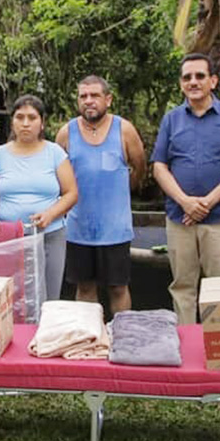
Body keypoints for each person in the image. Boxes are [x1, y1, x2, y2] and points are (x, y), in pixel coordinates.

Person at [151, 53, 220, 325]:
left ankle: (218, 345)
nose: (193, 82)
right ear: (181, 83)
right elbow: (159, 167)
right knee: (182, 286)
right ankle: (187, 344)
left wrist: (207, 202)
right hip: (180, 218)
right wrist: (185, 202)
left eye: (200, 76)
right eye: (187, 77)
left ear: (213, 81)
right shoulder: (171, 120)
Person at [55, 75, 147, 314]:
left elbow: (140, 167)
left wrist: (121, 192)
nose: (88, 101)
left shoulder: (124, 130)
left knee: (118, 288)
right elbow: (57, 176)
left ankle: (122, 333)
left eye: (94, 95)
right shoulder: (66, 133)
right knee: (84, 287)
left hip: (115, 229)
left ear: (108, 99)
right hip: (78, 228)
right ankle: (88, 333)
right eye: (83, 96)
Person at [0, 94, 78, 301]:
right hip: (7, 236)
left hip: (50, 235)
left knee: (48, 297)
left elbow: (71, 193)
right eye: (20, 117)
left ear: (42, 123)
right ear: (12, 122)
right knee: (9, 297)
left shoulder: (55, 153)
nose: (25, 123)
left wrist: (50, 214)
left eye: (32, 118)